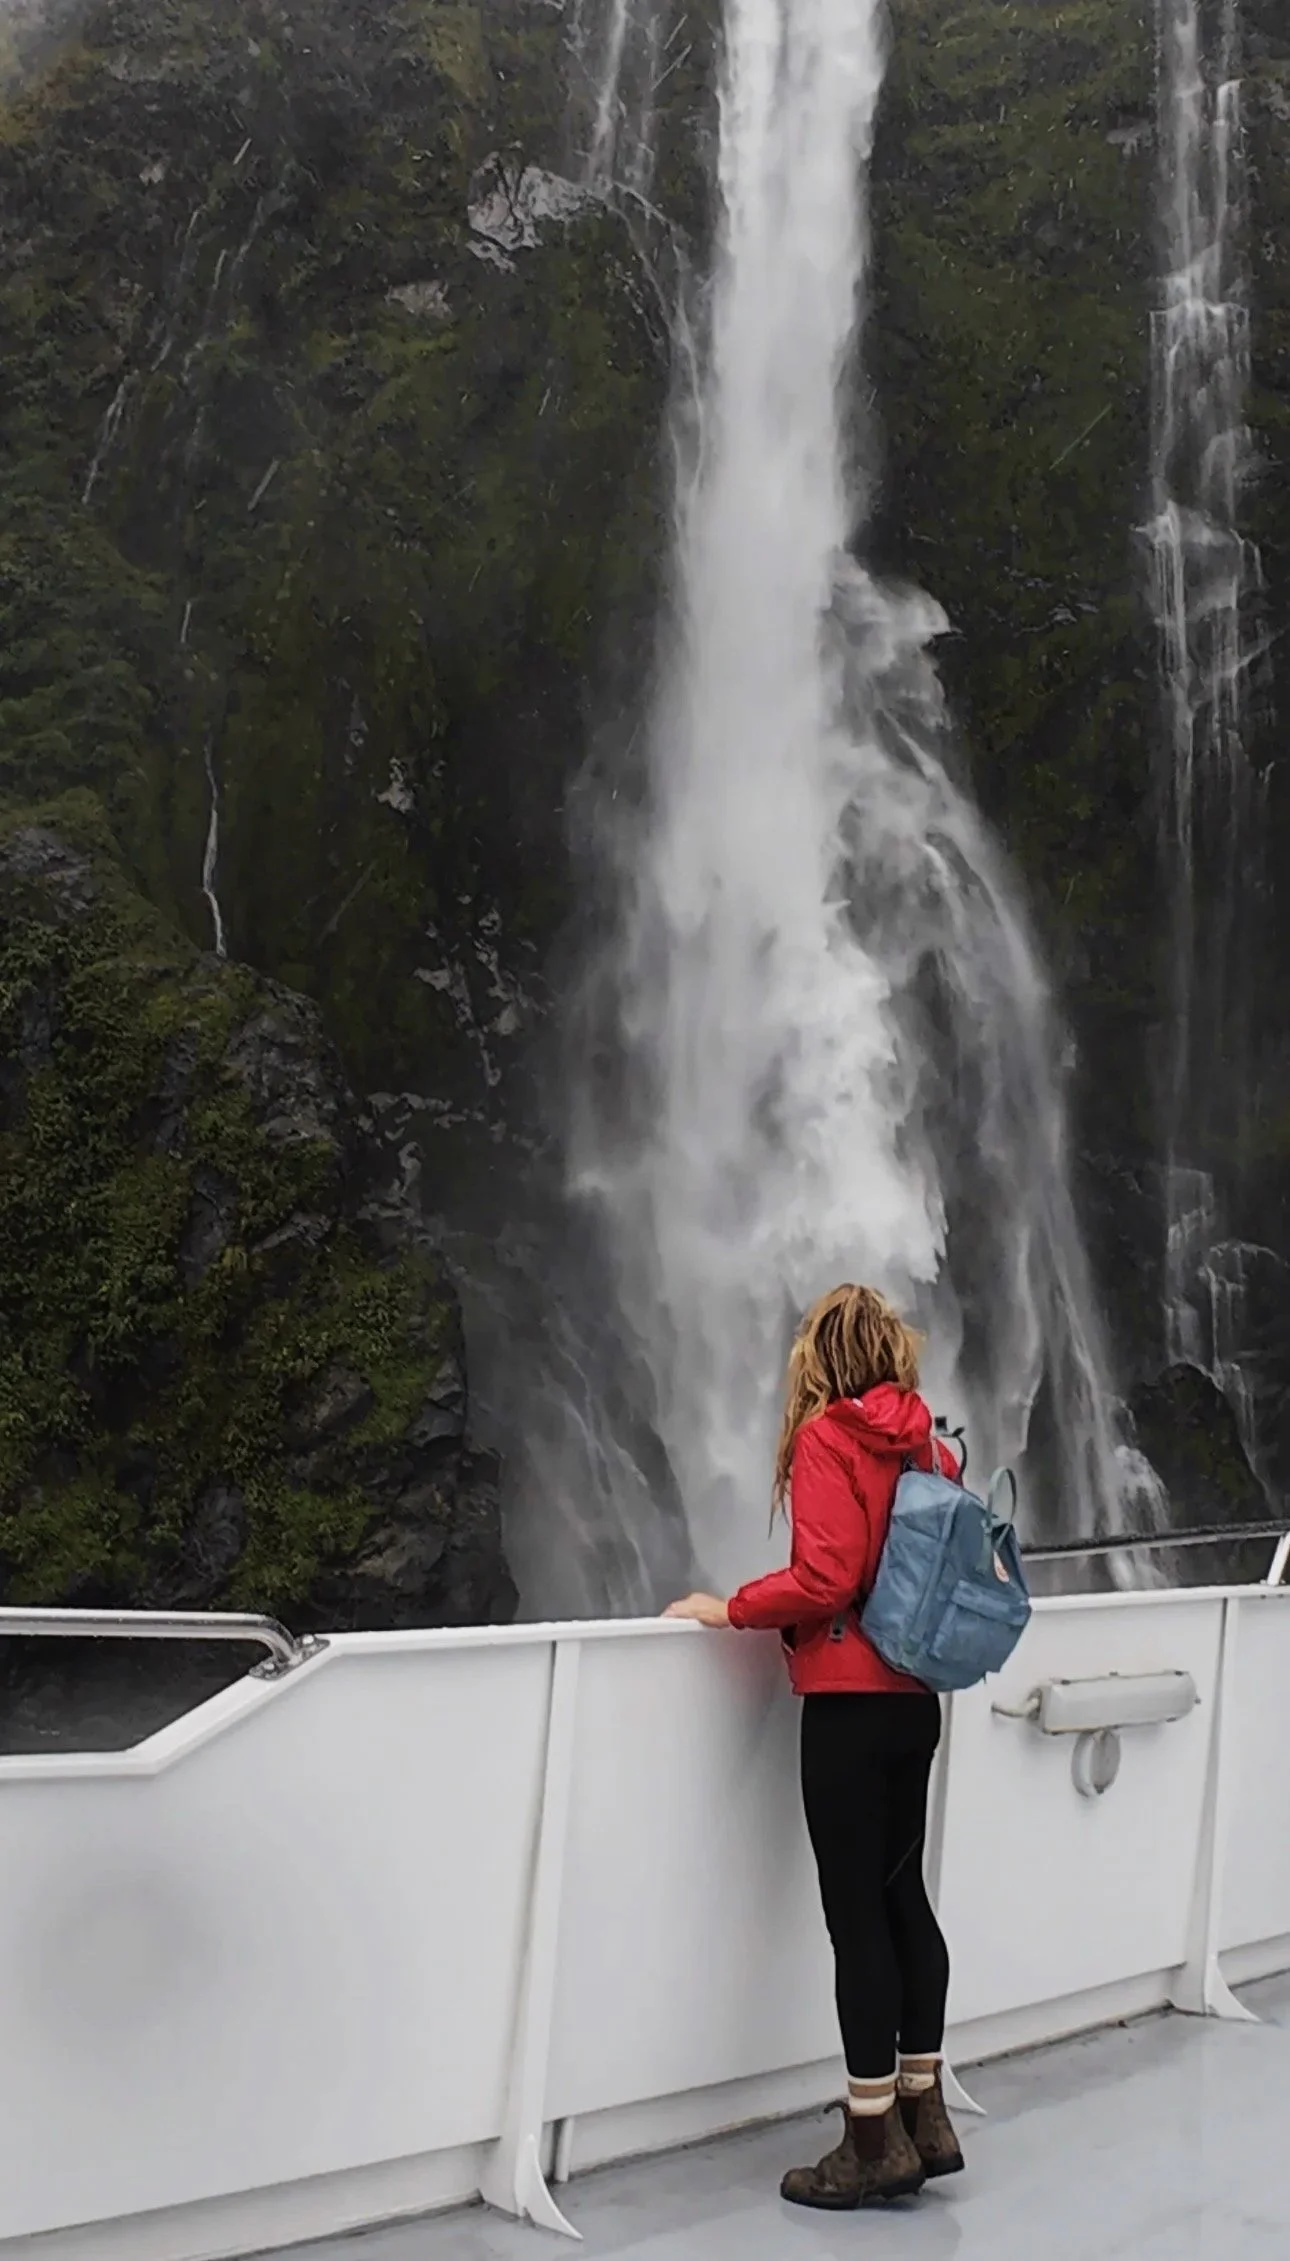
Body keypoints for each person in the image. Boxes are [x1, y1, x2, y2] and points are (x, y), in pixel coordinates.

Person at [665, 1282, 964, 2210]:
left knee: (856, 1919)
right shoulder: (930, 1445)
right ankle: (926, 2112)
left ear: (821, 1356)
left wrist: (733, 1607)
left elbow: (826, 1574)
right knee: (902, 1896)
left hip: (848, 1705)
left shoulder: (830, 1437)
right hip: (916, 1701)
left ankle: (869, 2139)